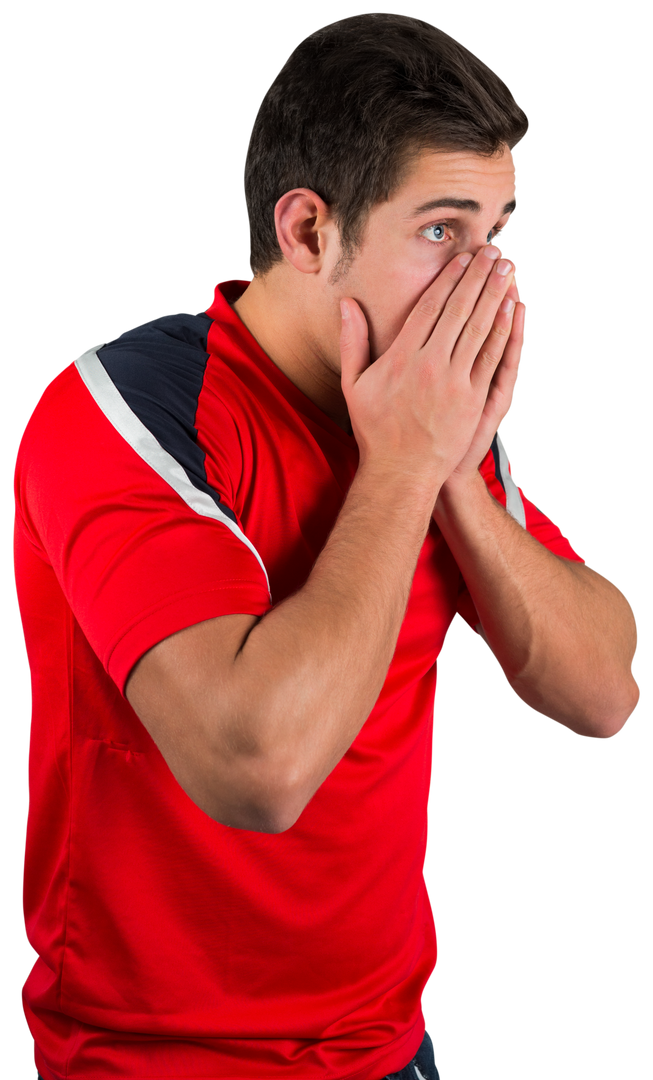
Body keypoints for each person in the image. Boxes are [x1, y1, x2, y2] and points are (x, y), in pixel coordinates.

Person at [13, 11, 641, 1080]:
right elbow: (257, 769)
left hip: (390, 1046)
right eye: (442, 232)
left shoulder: (426, 414)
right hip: (152, 1062)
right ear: (306, 231)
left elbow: (604, 693)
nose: (486, 284)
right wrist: (401, 467)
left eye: (498, 232)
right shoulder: (120, 413)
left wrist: (446, 469)